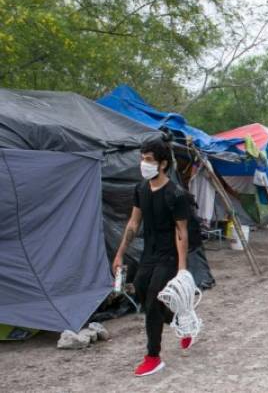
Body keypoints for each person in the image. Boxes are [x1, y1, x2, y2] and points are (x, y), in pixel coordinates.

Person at [112, 139, 191, 377]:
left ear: (163, 164)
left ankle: (153, 356)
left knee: (154, 301)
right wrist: (119, 253)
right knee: (141, 291)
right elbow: (134, 223)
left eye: (149, 160)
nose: (143, 164)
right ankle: (180, 321)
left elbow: (182, 232)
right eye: (142, 159)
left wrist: (182, 269)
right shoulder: (141, 189)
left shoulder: (176, 195)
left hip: (168, 256)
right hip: (149, 253)